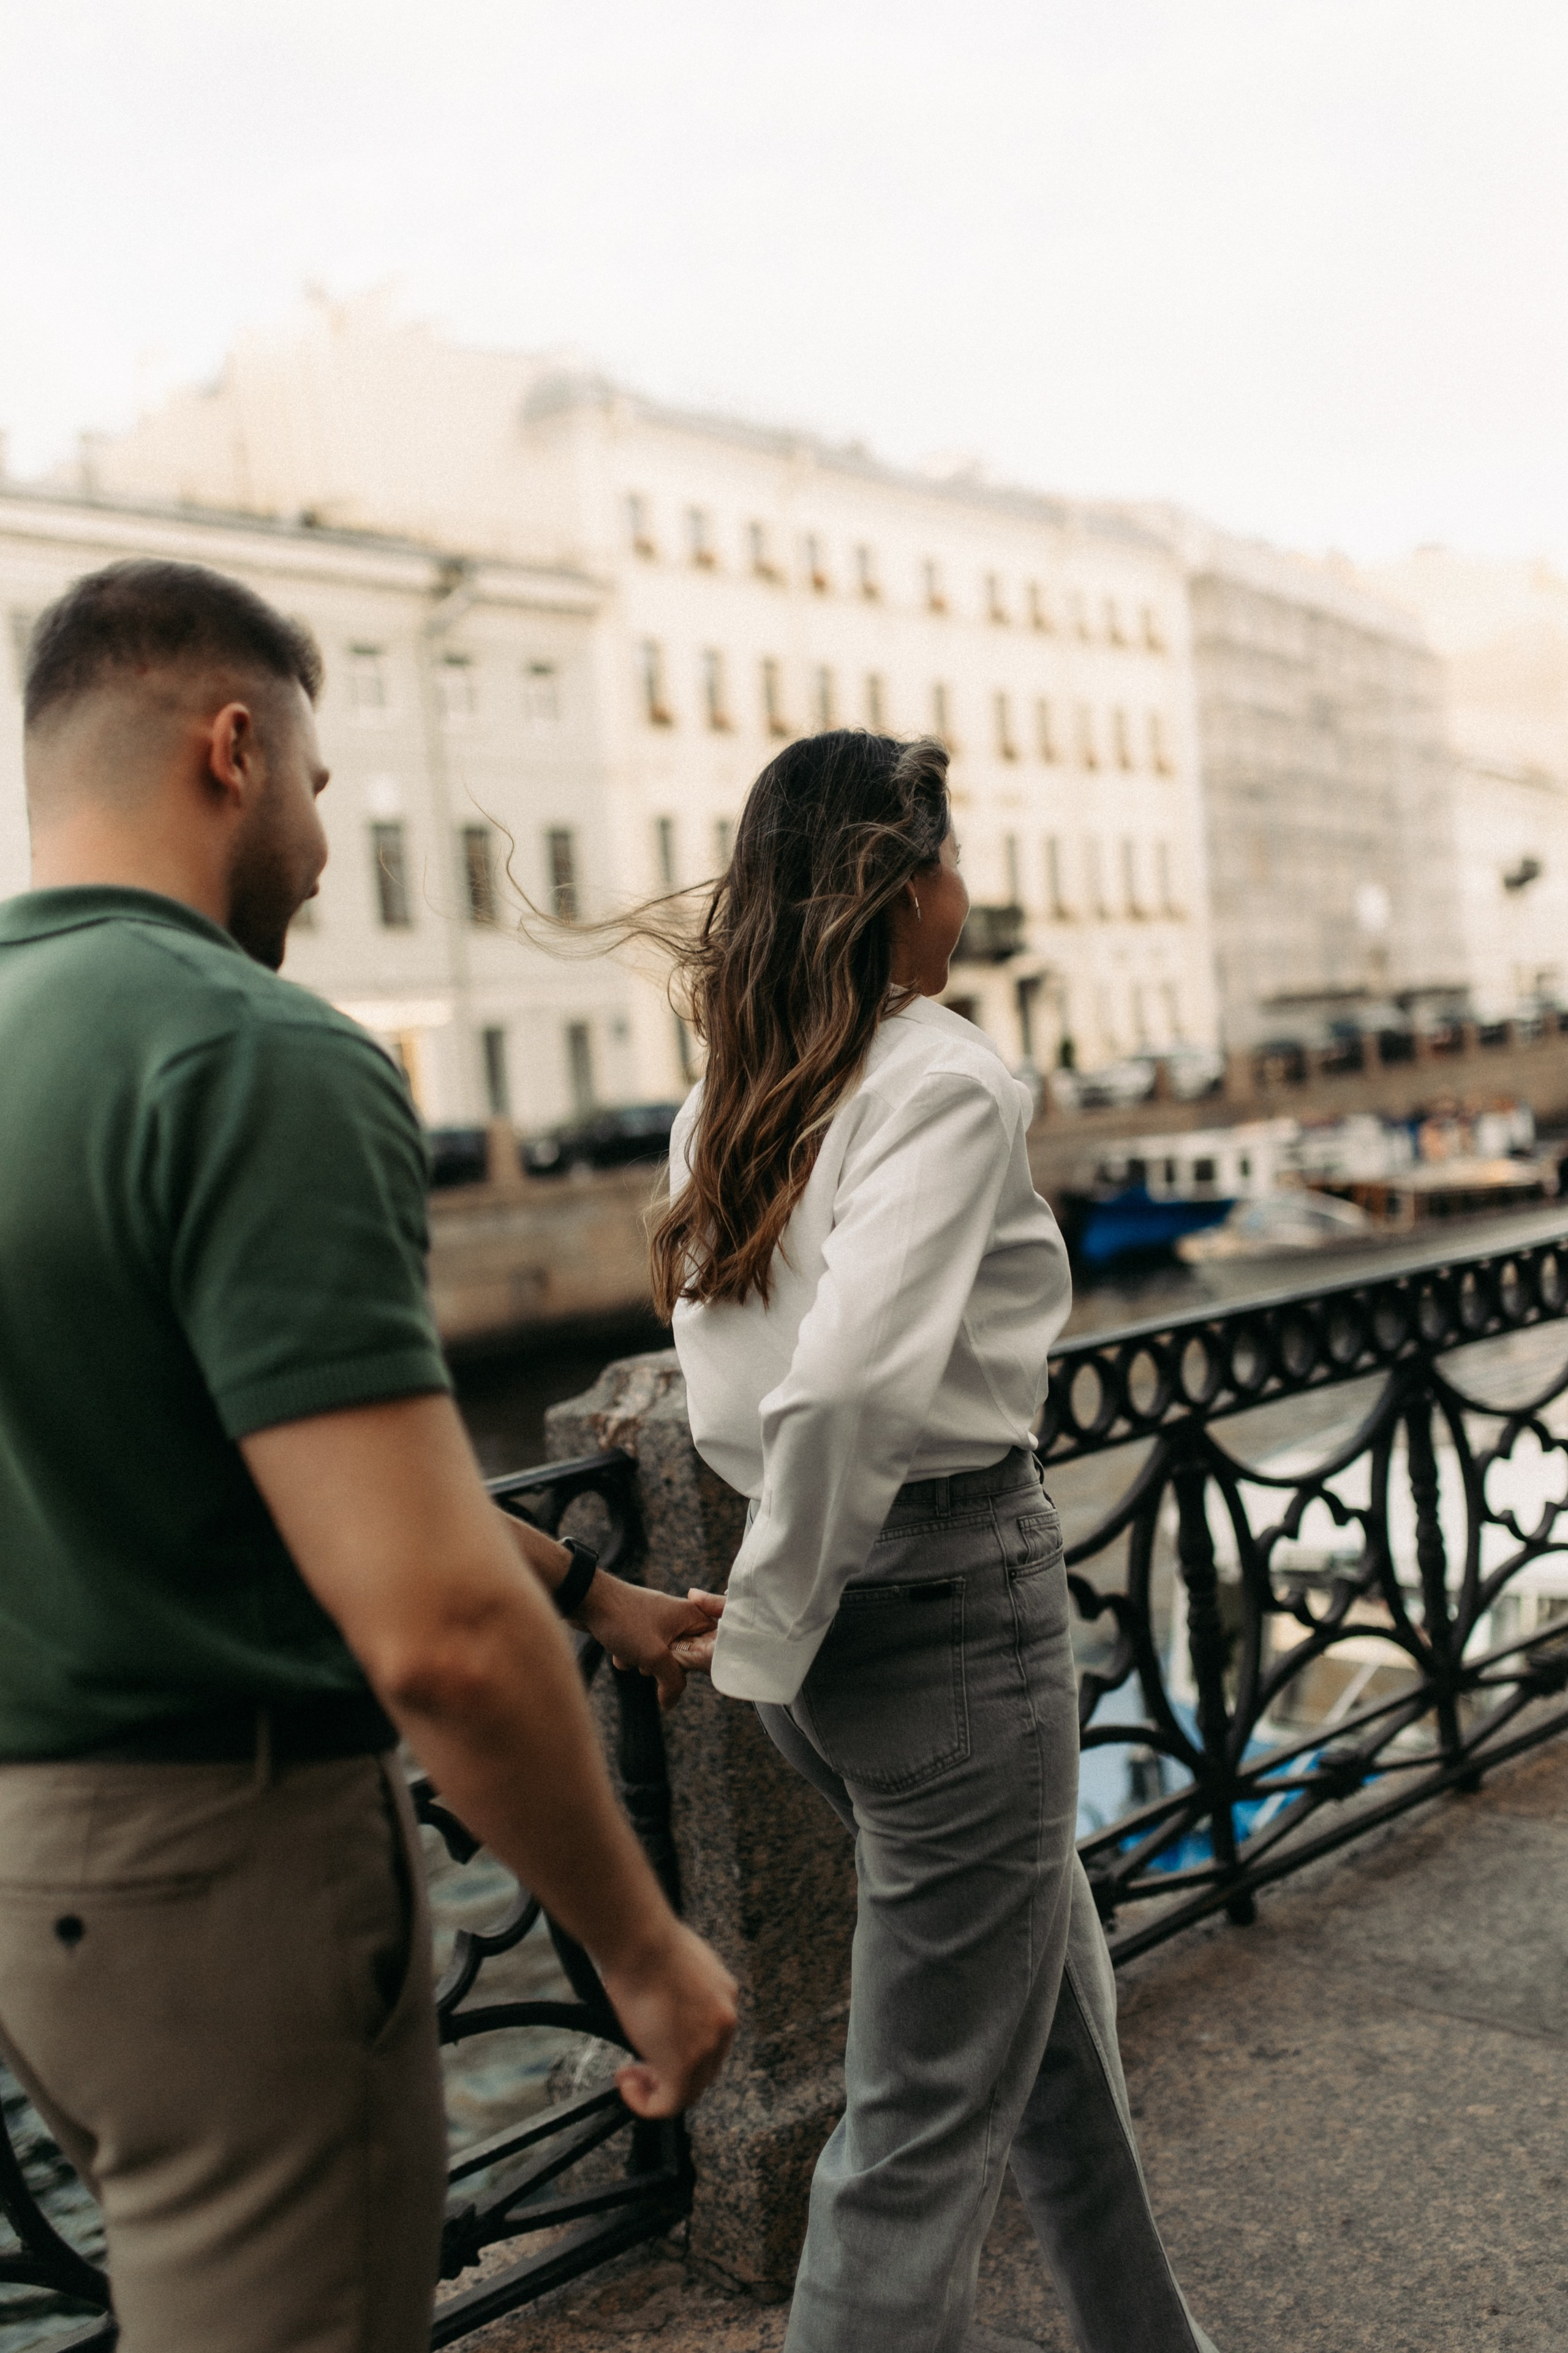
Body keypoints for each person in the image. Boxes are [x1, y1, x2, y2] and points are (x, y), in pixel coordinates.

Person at [0, 560, 736, 2353]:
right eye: (325, 791)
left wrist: (586, 1584)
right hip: (227, 1866)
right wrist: (644, 1952)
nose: (327, 850)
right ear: (234, 750)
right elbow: (426, 1628)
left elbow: (246, 1475)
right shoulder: (250, 1053)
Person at [658, 731, 1218, 2352]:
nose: (969, 895)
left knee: (1050, 2036)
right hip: (947, 1618)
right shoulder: (943, 1074)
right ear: (899, 887)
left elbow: (748, 1388)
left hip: (825, 1636)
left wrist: (774, 1634)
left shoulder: (733, 1093)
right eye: (952, 861)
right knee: (913, 2136)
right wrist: (767, 1623)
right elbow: (845, 1388)